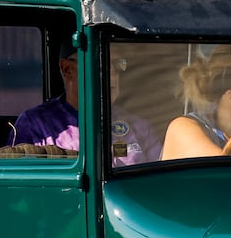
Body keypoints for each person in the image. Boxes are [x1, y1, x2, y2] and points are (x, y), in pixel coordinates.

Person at [11, 46, 161, 166]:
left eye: (118, 64)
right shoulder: (34, 126)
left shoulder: (140, 128)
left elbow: (156, 183)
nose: (113, 74)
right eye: (101, 63)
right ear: (67, 70)